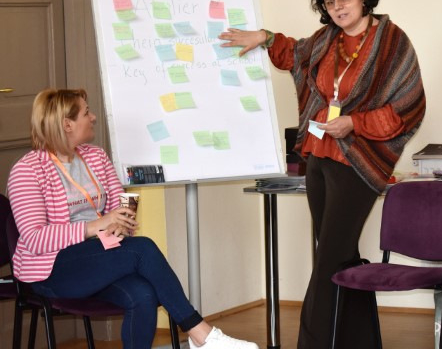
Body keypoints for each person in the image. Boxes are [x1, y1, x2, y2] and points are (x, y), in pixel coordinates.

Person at [218, 0, 425, 348]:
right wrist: (264, 37)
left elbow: (408, 106)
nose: (338, 7)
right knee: (339, 255)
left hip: (358, 164)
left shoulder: (392, 42)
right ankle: (361, 343)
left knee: (329, 259)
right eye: (329, 2)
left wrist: (354, 123)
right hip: (319, 156)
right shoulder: (326, 40)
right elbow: (294, 54)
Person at [7, 89, 258, 349]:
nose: (93, 117)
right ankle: (201, 334)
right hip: (52, 270)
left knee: (143, 294)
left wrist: (122, 220)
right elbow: (35, 239)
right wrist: (96, 226)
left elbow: (121, 203)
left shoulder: (95, 156)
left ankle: (200, 337)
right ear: (67, 124)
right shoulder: (27, 171)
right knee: (142, 249)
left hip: (100, 255)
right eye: (86, 113)